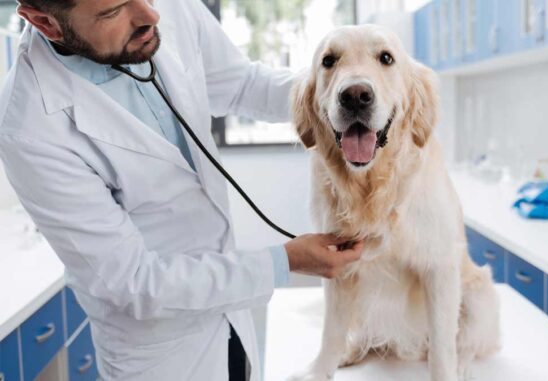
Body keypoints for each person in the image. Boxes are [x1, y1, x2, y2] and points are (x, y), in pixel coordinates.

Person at [0, 0, 364, 380]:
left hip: (232, 319)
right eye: (113, 12)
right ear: (46, 23)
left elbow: (243, 85)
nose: (151, 16)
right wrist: (284, 262)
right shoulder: (30, 126)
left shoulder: (160, 8)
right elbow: (133, 282)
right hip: (163, 353)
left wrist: (337, 95)